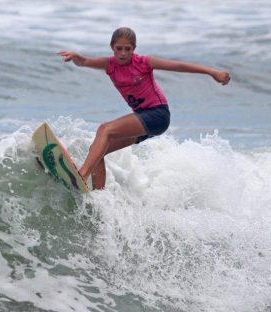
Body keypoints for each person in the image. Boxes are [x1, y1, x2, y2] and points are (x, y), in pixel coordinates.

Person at [58, 27, 231, 190]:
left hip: (157, 114)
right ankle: (96, 196)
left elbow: (178, 66)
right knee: (97, 150)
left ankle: (81, 175)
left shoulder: (144, 62)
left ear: (134, 48)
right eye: (119, 48)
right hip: (143, 120)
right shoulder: (109, 64)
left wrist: (212, 72)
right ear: (112, 47)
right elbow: (84, 61)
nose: (123, 53)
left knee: (104, 129)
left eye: (128, 49)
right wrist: (74, 56)